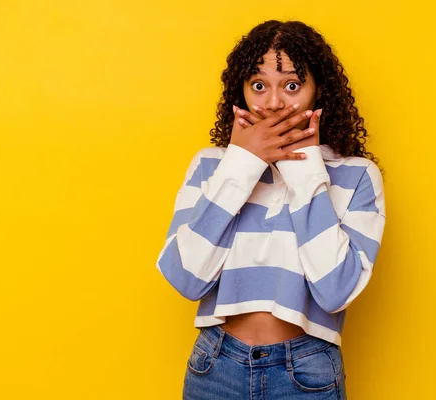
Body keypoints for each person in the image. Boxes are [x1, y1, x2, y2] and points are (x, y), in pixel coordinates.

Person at [156, 19, 386, 399]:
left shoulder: (356, 176)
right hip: (215, 367)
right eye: (259, 85)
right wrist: (242, 166)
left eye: (292, 85)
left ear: (318, 92)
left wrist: (305, 171)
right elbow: (185, 279)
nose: (275, 102)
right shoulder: (212, 166)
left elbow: (335, 292)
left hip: (307, 372)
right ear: (241, 92)